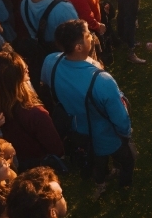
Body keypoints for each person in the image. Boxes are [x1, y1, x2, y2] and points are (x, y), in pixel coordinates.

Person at [41, 19, 134, 199]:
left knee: (96, 160)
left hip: (77, 129)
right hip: (106, 134)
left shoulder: (50, 61)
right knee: (127, 159)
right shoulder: (102, 81)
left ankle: (101, 183)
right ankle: (124, 186)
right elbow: (120, 118)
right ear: (78, 47)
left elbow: (46, 84)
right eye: (87, 35)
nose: (92, 37)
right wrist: (126, 133)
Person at [0, 51, 64, 171]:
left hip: (8, 165)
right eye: (22, 67)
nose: (26, 67)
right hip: (37, 167)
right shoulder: (35, 114)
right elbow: (57, 150)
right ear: (15, 78)